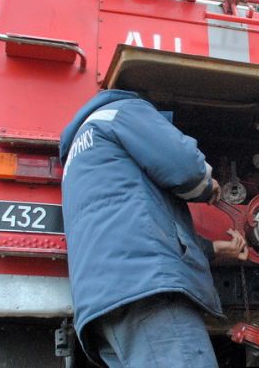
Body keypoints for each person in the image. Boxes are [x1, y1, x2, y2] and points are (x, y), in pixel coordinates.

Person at [59, 89, 248, 367]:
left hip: (105, 305)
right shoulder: (124, 111)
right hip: (146, 292)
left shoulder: (80, 151)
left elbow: (139, 218)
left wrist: (213, 248)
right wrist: (207, 185)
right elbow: (183, 166)